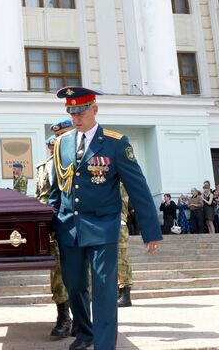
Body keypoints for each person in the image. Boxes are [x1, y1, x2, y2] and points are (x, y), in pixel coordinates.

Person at [49, 86, 162, 350]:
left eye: (81, 112)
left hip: (102, 226)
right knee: (74, 286)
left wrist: (150, 231)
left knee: (103, 289)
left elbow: (138, 188)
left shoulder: (115, 142)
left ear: (95, 109)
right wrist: (50, 225)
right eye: (71, 112)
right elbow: (57, 190)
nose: (76, 118)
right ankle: (86, 333)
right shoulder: (61, 143)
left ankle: (103, 344)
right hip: (69, 227)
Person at [34, 134, 73, 338]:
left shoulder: (77, 160)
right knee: (57, 271)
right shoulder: (42, 167)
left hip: (75, 223)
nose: (54, 148)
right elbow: (40, 196)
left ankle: (82, 318)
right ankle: (63, 318)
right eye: (52, 144)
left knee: (81, 273)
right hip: (51, 224)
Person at [117, 183, 133, 307]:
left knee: (121, 260)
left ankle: (125, 295)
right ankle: (119, 292)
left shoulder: (120, 182)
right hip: (109, 222)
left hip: (118, 222)